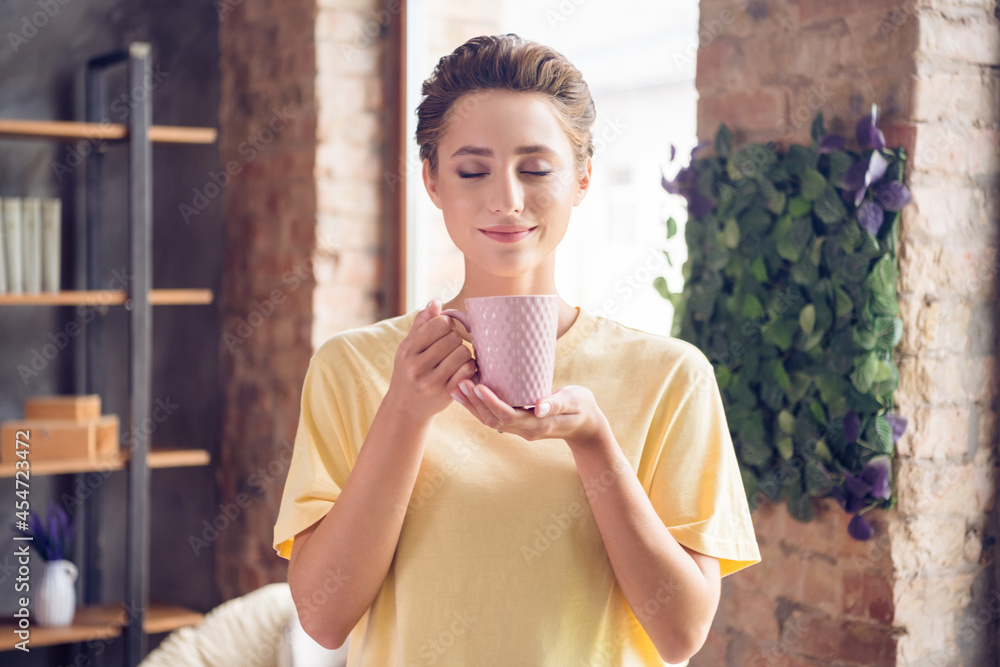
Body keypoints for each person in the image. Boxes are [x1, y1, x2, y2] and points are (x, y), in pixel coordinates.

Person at [273, 33, 760, 666]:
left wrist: (594, 445)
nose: (506, 199)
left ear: (583, 178)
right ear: (431, 180)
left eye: (536, 169)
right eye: (472, 170)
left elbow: (681, 633)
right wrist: (404, 411)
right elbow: (322, 619)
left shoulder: (671, 376)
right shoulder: (355, 367)